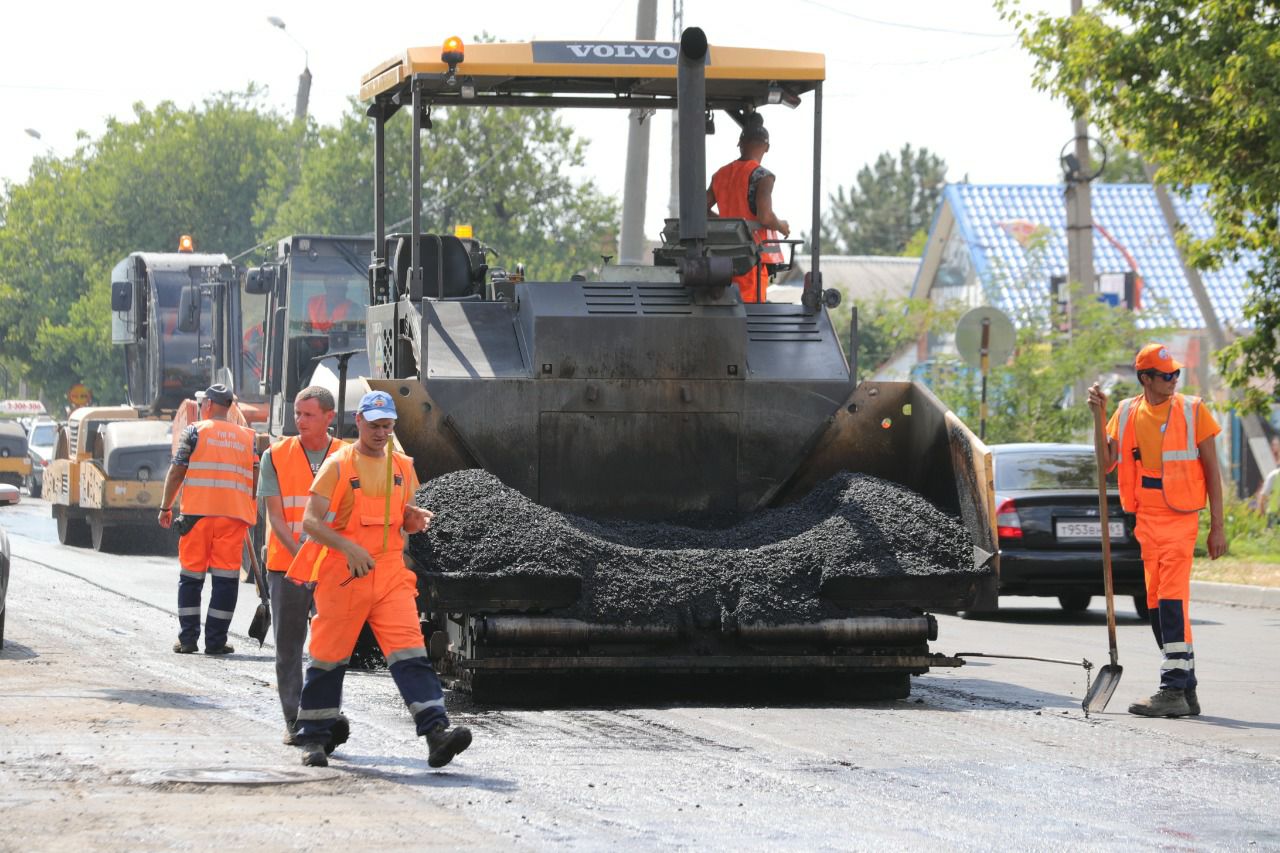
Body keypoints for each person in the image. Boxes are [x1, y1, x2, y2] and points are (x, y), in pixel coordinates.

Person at [287, 391, 472, 768]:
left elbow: (400, 510)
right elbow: (310, 522)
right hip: (344, 574)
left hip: (388, 574)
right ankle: (315, 740)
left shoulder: (402, 466)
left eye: (387, 426)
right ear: (359, 421)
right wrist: (349, 548)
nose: (381, 433)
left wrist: (411, 517)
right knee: (328, 658)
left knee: (410, 653)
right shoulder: (338, 465)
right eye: (375, 426)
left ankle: (437, 733)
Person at [1088, 344, 1229, 718]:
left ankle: (1172, 690)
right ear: (1145, 378)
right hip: (1146, 521)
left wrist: (1218, 525)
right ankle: (1188, 689)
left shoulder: (1193, 409)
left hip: (1181, 518)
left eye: (1175, 374)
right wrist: (1099, 415)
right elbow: (1106, 464)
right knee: (1156, 608)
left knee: (1170, 601)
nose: (1173, 381)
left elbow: (1213, 472)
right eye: (1165, 375)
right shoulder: (1126, 412)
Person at [257, 385, 343, 746]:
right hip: (287, 568)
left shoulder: (346, 456)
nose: (300, 421)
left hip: (333, 569)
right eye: (297, 414)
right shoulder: (275, 456)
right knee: (288, 649)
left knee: (330, 649)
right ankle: (294, 720)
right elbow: (275, 517)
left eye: (308, 415)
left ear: (329, 417)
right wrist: (302, 557)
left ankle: (323, 718)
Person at [158, 384, 259, 655]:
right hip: (233, 518)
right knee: (226, 581)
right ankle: (215, 641)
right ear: (230, 408)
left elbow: (177, 470)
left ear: (209, 405)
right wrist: (248, 509)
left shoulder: (195, 431)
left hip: (196, 517)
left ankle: (188, 639)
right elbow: (256, 479)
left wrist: (165, 507)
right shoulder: (249, 438)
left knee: (191, 578)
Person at [706, 113, 790, 303]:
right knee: (750, 315)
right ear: (766, 147)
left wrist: (727, 225)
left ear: (740, 143)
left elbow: (701, 209)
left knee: (727, 309)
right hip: (751, 259)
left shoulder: (720, 175)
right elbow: (766, 217)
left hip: (723, 257)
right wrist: (782, 225)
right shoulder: (763, 176)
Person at [1251, 436, 1280, 524]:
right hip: (1274, 515)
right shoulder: (1274, 475)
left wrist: (1262, 514)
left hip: (1273, 514)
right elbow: (1262, 498)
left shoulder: (1274, 475)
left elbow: (1262, 498)